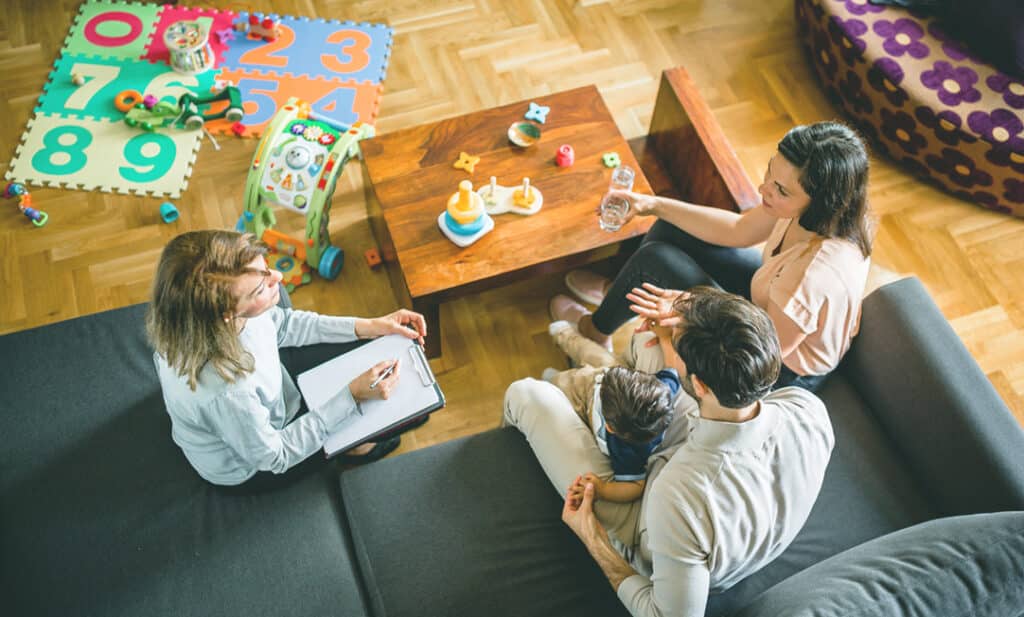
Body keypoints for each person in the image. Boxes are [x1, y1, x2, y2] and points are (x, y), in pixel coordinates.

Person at [504, 286, 834, 617]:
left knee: (526, 394)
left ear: (701, 386)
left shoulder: (677, 498)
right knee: (647, 346)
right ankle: (609, 390)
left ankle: (509, 448)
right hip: (706, 467)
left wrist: (592, 537)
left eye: (676, 340)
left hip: (650, 523)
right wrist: (689, 316)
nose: (666, 333)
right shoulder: (807, 408)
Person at [552, 121, 872, 391]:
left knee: (658, 261)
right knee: (670, 228)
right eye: (770, 174)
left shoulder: (813, 275)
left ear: (821, 202)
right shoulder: (812, 209)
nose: (764, 189)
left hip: (771, 364)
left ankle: (595, 329)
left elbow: (763, 354)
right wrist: (650, 204)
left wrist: (692, 309)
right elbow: (739, 229)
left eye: (781, 190)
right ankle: (620, 294)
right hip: (767, 302)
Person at [147, 230, 428, 487]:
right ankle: (357, 451)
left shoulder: (198, 322)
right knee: (395, 415)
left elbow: (282, 325)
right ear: (227, 314)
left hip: (273, 396)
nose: (278, 279)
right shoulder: (229, 394)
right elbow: (276, 457)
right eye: (260, 289)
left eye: (265, 269)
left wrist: (369, 326)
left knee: (377, 360)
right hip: (253, 467)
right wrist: (352, 397)